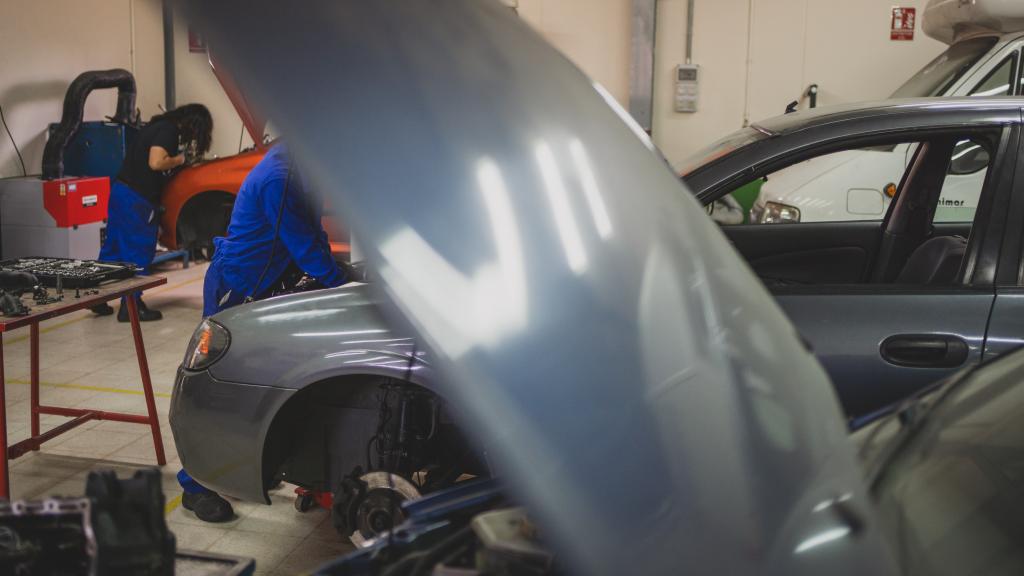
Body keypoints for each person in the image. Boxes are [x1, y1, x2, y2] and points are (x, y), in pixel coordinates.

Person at [178, 142, 347, 523]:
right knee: (217, 386)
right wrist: (341, 284)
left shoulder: (304, 167)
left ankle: (244, 464)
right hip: (237, 284)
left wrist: (335, 272)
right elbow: (303, 244)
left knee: (260, 383)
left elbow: (313, 232)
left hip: (266, 284)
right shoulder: (279, 178)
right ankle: (194, 485)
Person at [92, 104, 213, 321]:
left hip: (121, 191)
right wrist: (180, 159)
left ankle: (96, 298)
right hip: (138, 199)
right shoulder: (169, 130)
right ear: (193, 124)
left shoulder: (156, 126)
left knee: (114, 247)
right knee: (137, 250)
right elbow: (156, 162)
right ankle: (131, 306)